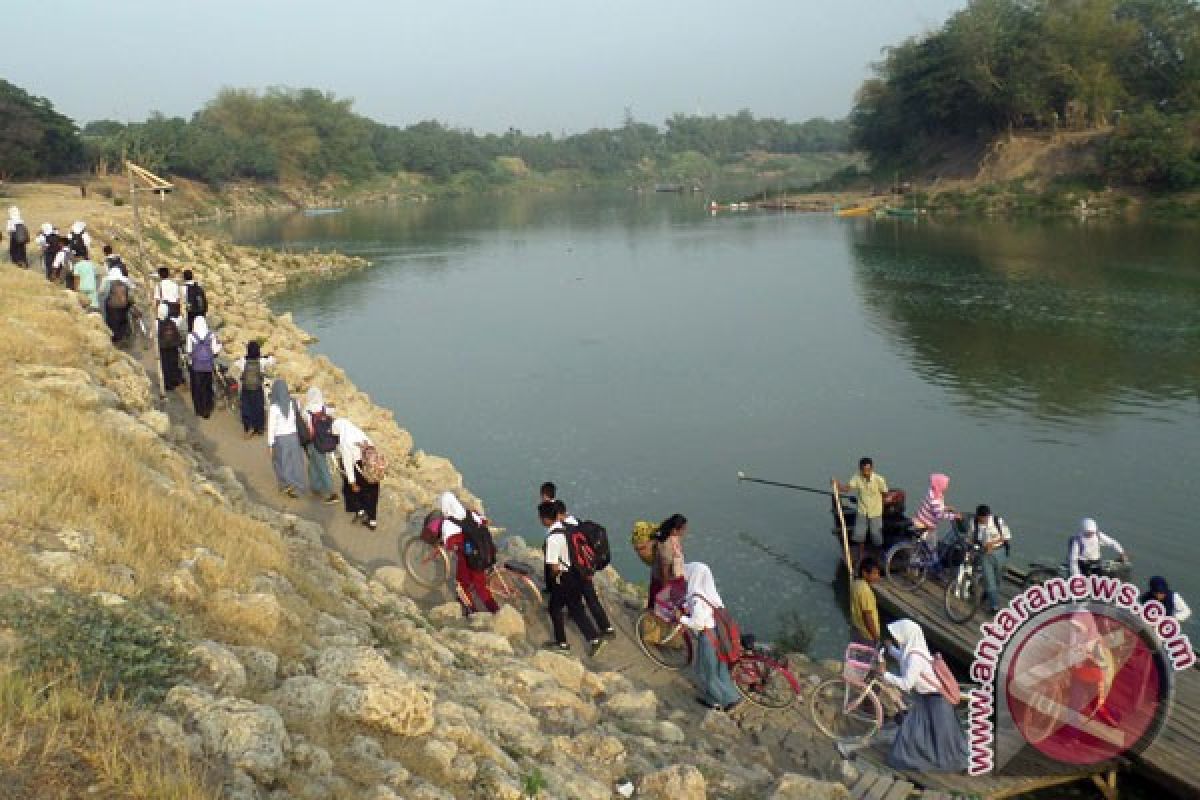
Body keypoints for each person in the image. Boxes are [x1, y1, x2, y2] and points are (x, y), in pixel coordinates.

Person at [882, 619, 968, 772]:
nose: (897, 637)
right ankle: (923, 758)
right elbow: (902, 657)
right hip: (927, 700)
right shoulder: (915, 651)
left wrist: (886, 675)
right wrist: (890, 648)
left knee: (938, 739)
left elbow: (907, 684)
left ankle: (930, 762)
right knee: (925, 733)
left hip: (936, 702)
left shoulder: (914, 658)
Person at [540, 500, 603, 654]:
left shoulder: (552, 539)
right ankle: (594, 638)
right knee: (575, 609)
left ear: (545, 519)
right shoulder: (566, 529)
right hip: (576, 574)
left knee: (555, 608)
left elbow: (553, 566)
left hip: (564, 578)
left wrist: (554, 579)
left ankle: (562, 644)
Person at [680, 562, 741, 711]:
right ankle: (715, 698)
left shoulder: (696, 597)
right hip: (720, 635)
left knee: (706, 671)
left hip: (708, 638)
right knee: (721, 669)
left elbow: (698, 623)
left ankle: (728, 700)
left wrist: (681, 618)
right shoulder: (710, 592)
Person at [554, 499, 616, 638]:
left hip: (575, 570)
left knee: (575, 602)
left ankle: (592, 637)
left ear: (558, 514)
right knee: (591, 599)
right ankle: (607, 628)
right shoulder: (577, 521)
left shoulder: (565, 528)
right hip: (587, 567)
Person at [443, 492, 499, 613]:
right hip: (486, 551)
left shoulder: (449, 523)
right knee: (479, 583)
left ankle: (473, 610)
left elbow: (448, 545)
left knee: (464, 583)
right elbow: (484, 521)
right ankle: (491, 608)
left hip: (470, 560)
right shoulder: (471, 513)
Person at [835, 457, 889, 563]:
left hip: (876, 512)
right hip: (862, 511)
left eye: (869, 470)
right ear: (860, 469)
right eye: (864, 470)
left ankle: (878, 556)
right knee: (860, 535)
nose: (866, 473)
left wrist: (880, 506)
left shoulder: (879, 479)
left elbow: (885, 494)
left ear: (872, 468)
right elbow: (846, 489)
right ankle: (860, 556)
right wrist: (837, 484)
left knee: (876, 535)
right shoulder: (857, 477)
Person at [333, 417, 379, 529]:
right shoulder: (360, 433)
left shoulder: (345, 441)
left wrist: (352, 482)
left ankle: (360, 511)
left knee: (353, 490)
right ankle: (372, 521)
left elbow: (348, 464)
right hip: (372, 467)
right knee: (372, 494)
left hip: (359, 468)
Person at [266, 379, 307, 498]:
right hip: (294, 437)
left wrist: (270, 444)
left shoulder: (274, 407)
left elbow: (271, 427)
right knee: (296, 462)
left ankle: (287, 484)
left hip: (280, 438)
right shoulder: (294, 402)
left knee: (281, 462)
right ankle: (299, 485)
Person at [300, 387, 339, 504]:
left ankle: (332, 493)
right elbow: (333, 411)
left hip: (313, 442)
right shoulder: (325, 409)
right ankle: (315, 487)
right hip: (324, 440)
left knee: (321, 466)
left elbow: (306, 425)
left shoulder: (306, 411)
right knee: (313, 464)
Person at [971, 505, 1011, 613]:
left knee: (997, 578)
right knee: (990, 580)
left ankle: (988, 595)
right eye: (981, 518)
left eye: (986, 517)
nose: (984, 520)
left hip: (999, 552)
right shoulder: (974, 523)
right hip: (984, 554)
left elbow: (1006, 536)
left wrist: (991, 545)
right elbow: (972, 537)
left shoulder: (997, 521)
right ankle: (995, 606)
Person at [232, 342, 273, 436]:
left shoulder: (243, 361)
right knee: (258, 407)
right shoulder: (261, 361)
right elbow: (272, 360)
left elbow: (236, 365)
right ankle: (259, 428)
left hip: (246, 387)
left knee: (246, 407)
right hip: (257, 387)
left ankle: (248, 426)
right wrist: (268, 357)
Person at [648, 513, 688, 611]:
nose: (684, 531)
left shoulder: (674, 538)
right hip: (667, 581)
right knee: (662, 610)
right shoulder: (666, 544)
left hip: (675, 579)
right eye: (682, 529)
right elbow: (664, 569)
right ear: (674, 530)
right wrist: (666, 589)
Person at [185, 316, 221, 418]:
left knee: (197, 388)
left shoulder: (191, 336)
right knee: (207, 388)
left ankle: (198, 409)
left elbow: (188, 351)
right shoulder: (211, 335)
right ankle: (206, 410)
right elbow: (214, 351)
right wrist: (220, 346)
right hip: (208, 366)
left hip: (196, 366)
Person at [913, 473, 958, 544]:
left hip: (920, 520)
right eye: (946, 485)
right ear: (940, 485)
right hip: (926, 525)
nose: (947, 487)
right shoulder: (936, 499)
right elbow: (939, 515)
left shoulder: (932, 492)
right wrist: (954, 516)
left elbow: (934, 508)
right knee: (932, 548)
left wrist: (945, 508)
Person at [850, 557, 883, 645]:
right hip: (867, 635)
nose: (878, 577)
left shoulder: (855, 584)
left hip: (857, 630)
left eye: (878, 574)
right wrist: (876, 637)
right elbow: (867, 616)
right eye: (875, 573)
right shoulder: (865, 591)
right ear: (864, 573)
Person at [97, 265, 132, 343]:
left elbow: (102, 291)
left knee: (112, 321)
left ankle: (114, 339)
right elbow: (131, 292)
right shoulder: (125, 281)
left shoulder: (108, 281)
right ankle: (123, 337)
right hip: (124, 305)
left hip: (113, 305)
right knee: (122, 320)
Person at [156, 304, 185, 391]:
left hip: (163, 347)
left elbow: (153, 336)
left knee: (165, 365)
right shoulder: (172, 321)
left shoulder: (156, 323)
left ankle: (167, 383)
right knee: (173, 363)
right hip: (173, 346)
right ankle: (175, 380)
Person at [182, 269, 208, 334]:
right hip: (201, 311)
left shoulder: (183, 288)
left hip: (191, 312)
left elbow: (183, 301)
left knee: (191, 331)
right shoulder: (199, 286)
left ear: (184, 277)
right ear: (192, 276)